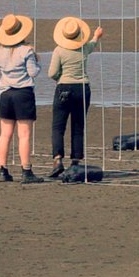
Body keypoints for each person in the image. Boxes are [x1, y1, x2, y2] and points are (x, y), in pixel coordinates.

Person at [47, 15, 103, 178]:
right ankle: (75, 161)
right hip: (82, 89)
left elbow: (51, 73)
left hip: (63, 88)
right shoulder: (84, 47)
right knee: (78, 126)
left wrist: (60, 79)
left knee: (58, 126)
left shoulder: (59, 50)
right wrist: (96, 36)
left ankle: (58, 160)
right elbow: (92, 45)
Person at [0, 14, 45, 182]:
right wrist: (38, 61)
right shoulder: (27, 50)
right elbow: (33, 72)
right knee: (24, 134)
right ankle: (26, 170)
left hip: (6, 94)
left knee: (5, 134)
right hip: (23, 93)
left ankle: (3, 169)